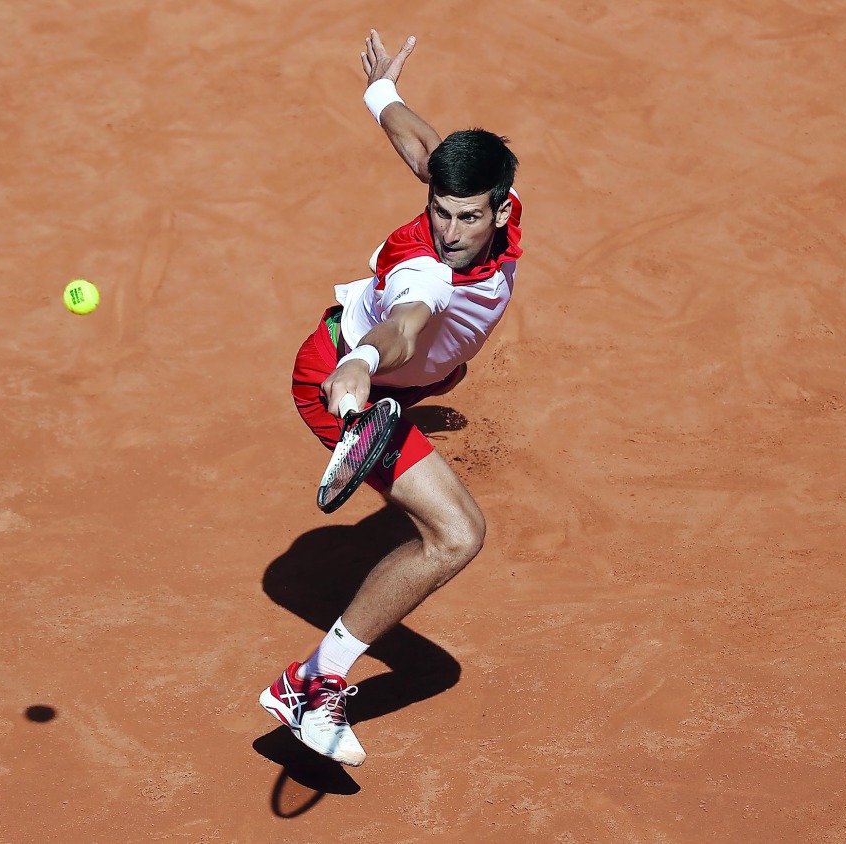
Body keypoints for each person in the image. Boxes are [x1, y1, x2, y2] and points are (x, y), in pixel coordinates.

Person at [259, 29, 522, 767]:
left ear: (503, 210)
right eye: (440, 211)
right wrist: (367, 362)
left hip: (408, 375)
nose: (449, 229)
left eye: (468, 215)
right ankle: (312, 683)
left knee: (451, 374)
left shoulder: (477, 200)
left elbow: (422, 149)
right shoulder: (427, 275)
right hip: (341, 377)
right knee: (456, 536)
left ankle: (399, 406)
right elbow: (409, 324)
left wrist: (382, 93)